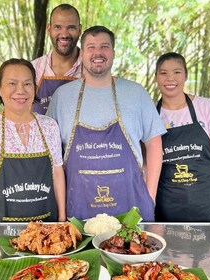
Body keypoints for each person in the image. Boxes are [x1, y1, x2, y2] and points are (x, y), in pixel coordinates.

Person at [46, 26, 166, 221]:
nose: (98, 53)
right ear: (82, 54)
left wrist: (149, 197)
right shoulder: (62, 97)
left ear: (113, 53)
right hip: (77, 214)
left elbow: (154, 144)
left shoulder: (136, 93)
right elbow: (50, 155)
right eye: (91, 47)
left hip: (131, 213)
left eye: (104, 46)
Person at [0, 58, 66, 223]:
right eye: (12, 84)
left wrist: (61, 219)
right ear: (0, 89)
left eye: (27, 84)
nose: (20, 91)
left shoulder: (49, 126)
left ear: (35, 88)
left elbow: (57, 173)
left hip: (47, 235)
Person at [155, 52, 210, 222]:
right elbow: (147, 165)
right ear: (156, 77)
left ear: (185, 75)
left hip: (209, 206)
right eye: (163, 73)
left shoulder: (206, 107)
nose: (170, 78)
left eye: (177, 72)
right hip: (167, 209)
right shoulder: (151, 113)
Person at [32, 3, 82, 114]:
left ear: (80, 30)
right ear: (49, 29)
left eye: (71, 28)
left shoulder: (91, 69)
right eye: (58, 27)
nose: (64, 34)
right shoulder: (33, 69)